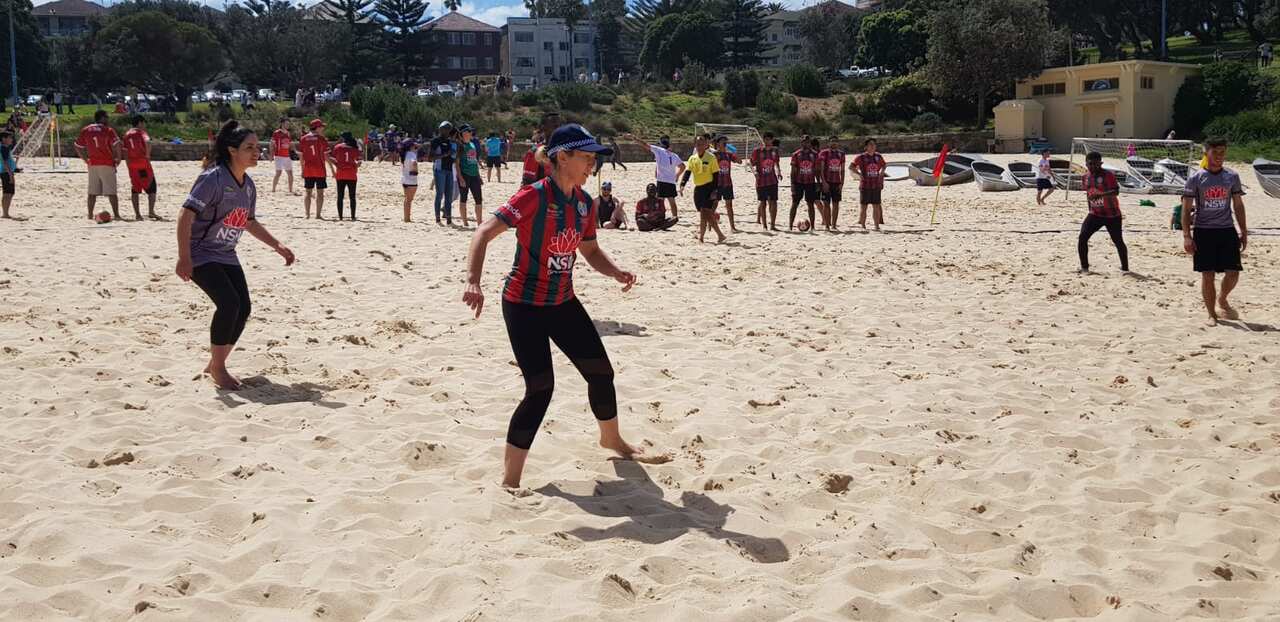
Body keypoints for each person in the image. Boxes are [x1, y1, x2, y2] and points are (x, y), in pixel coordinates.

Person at [461, 123, 645, 489]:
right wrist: (473, 280)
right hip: (523, 305)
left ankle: (611, 439)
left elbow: (590, 250)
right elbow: (483, 232)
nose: (593, 165)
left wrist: (615, 272)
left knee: (600, 372)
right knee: (540, 388)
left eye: (595, 158)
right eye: (587, 157)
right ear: (562, 157)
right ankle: (510, 480)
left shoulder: (583, 203)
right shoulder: (532, 197)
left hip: (562, 302)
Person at [175, 120, 295, 390]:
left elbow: (248, 222)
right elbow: (185, 215)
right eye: (249, 147)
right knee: (229, 303)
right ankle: (218, 369)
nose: (257, 152)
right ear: (232, 150)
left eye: (258, 147)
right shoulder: (213, 178)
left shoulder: (248, 185)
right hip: (201, 253)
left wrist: (277, 245)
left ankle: (215, 363)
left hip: (226, 253)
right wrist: (184, 257)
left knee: (243, 307)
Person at [1182, 137, 1248, 326]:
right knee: (1208, 275)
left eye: (1222, 152)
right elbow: (1186, 209)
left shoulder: (1232, 176)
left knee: (1234, 272)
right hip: (1203, 231)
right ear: (1207, 153)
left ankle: (1223, 298)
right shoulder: (1196, 178)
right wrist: (1187, 236)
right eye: (1215, 152)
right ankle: (1212, 314)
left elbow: (1238, 205)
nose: (1219, 156)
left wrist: (1243, 231)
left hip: (1227, 229)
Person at [1078, 151, 1129, 274]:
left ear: (1101, 163)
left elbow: (1116, 191)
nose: (1093, 167)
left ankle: (1125, 268)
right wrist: (1090, 207)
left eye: (1096, 164)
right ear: (1086, 164)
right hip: (1095, 214)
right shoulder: (1085, 177)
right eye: (1090, 164)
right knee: (1082, 237)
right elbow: (1088, 194)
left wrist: (1100, 194)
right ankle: (1084, 267)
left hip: (1112, 215)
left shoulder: (1108, 175)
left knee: (1118, 241)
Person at [74, 110, 122, 220]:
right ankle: (117, 215)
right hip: (106, 163)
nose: (108, 119)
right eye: (107, 117)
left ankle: (90, 215)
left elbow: (77, 145)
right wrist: (118, 158)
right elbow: (117, 144)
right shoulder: (108, 130)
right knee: (111, 192)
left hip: (93, 163)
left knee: (92, 192)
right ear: (102, 118)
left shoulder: (86, 129)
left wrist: (85, 159)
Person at [623, 132, 684, 219]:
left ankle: (661, 217)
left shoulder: (658, 150)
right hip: (671, 181)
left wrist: (634, 138)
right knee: (672, 201)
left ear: (661, 143)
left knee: (660, 201)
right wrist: (677, 175)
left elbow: (644, 144)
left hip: (662, 180)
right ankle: (675, 217)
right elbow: (683, 167)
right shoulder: (674, 155)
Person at [683, 133, 727, 244]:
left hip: (709, 187)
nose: (699, 146)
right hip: (698, 189)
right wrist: (682, 184)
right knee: (703, 214)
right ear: (695, 145)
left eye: (701, 144)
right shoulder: (692, 158)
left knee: (706, 211)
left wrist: (715, 190)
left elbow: (716, 175)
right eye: (697, 144)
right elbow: (688, 172)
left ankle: (719, 234)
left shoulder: (711, 157)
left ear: (705, 145)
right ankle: (701, 237)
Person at [123, 115, 160, 221]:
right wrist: (147, 155)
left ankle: (138, 214)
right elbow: (148, 142)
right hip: (143, 164)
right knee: (152, 188)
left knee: (135, 189)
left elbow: (125, 151)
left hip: (132, 165)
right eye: (143, 123)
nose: (144, 126)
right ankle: (151, 212)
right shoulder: (141, 133)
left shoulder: (126, 134)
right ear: (140, 123)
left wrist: (128, 164)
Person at [849, 138, 885, 231]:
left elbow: (884, 165)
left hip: (876, 185)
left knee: (876, 206)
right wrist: (859, 174)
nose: (873, 146)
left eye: (874, 144)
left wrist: (882, 173)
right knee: (864, 207)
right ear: (866, 147)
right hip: (865, 185)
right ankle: (863, 225)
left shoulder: (878, 156)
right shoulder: (861, 157)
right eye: (870, 144)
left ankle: (876, 226)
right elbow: (851, 166)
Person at [749, 132, 781, 230]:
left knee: (774, 202)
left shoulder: (775, 150)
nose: (767, 141)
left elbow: (776, 163)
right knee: (763, 203)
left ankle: (773, 225)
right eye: (766, 139)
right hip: (761, 180)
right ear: (763, 140)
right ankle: (764, 225)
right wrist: (754, 172)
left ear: (772, 140)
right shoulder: (757, 151)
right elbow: (750, 163)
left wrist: (779, 172)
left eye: (769, 139)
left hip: (772, 180)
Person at [429, 121, 458, 225]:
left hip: (449, 169)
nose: (446, 131)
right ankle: (437, 218)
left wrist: (454, 154)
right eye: (445, 129)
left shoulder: (451, 142)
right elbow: (431, 157)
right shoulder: (435, 141)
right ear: (440, 129)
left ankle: (449, 218)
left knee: (449, 195)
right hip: (439, 169)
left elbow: (454, 157)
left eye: (448, 129)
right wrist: (445, 155)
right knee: (439, 194)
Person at [788, 137, 821, 231]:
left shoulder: (815, 154)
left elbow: (817, 170)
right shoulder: (796, 154)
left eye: (807, 142)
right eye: (804, 142)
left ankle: (813, 227)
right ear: (801, 142)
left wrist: (818, 182)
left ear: (810, 143)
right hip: (799, 182)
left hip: (810, 182)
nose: (806, 144)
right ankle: (790, 226)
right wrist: (792, 184)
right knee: (794, 204)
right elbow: (793, 171)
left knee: (810, 204)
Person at [299, 118, 330, 219]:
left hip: (308, 168)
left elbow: (302, 156)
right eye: (321, 127)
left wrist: (302, 169)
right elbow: (326, 155)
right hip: (320, 169)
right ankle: (318, 215)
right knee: (320, 193)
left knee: (308, 192)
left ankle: (307, 214)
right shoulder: (321, 139)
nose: (323, 129)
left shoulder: (303, 138)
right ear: (316, 128)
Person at [710, 135, 741, 233]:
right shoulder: (714, 155)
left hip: (727, 183)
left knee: (729, 206)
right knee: (714, 205)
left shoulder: (729, 154)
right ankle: (709, 225)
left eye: (726, 142)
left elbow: (739, 162)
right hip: (717, 184)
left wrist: (735, 154)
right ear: (718, 143)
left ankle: (732, 227)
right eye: (723, 142)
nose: (725, 143)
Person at [522, 112, 561, 186]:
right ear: (543, 127)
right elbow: (527, 184)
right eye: (555, 126)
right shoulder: (534, 153)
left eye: (560, 126)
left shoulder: (565, 151)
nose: (559, 129)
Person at [330, 131, 361, 221]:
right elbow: (359, 162)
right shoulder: (355, 148)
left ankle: (340, 216)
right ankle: (353, 216)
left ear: (343, 138)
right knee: (352, 197)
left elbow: (331, 157)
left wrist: (336, 164)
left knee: (340, 196)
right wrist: (355, 165)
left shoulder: (338, 147)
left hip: (340, 174)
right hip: (351, 174)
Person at [457, 124, 484, 227]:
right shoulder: (460, 146)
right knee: (464, 198)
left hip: (474, 175)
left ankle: (479, 222)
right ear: (463, 133)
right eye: (469, 131)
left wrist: (479, 175)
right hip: (465, 175)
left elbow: (474, 161)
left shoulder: (472, 144)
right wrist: (460, 178)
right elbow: (457, 163)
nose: (471, 133)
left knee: (479, 199)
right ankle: (465, 222)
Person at [818, 136, 847, 230]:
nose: (834, 143)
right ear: (828, 143)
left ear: (838, 143)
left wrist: (842, 183)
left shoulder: (841, 154)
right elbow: (821, 169)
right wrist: (824, 182)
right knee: (826, 203)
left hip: (836, 181)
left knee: (836, 204)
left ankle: (834, 225)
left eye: (835, 141)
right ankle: (827, 225)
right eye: (832, 141)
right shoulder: (824, 153)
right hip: (827, 181)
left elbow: (842, 170)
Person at [270, 118, 298, 195]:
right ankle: (273, 189)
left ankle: (290, 190)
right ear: (282, 124)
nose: (288, 125)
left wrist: (295, 151)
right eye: (286, 123)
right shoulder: (277, 133)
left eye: (288, 124)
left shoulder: (288, 133)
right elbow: (272, 144)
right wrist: (271, 155)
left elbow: (290, 143)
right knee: (278, 173)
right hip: (279, 156)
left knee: (290, 173)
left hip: (287, 156)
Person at [400, 138, 420, 222]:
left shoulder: (403, 154)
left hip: (404, 179)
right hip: (411, 180)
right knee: (409, 200)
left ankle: (406, 217)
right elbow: (414, 162)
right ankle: (407, 218)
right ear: (411, 146)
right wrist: (415, 171)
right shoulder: (412, 154)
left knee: (406, 199)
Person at [1, 131, 15, 219]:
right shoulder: (4, 148)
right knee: (7, 193)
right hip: (6, 172)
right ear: (4, 139)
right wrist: (11, 175)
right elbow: (4, 162)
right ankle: (5, 213)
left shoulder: (5, 148)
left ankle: (5, 213)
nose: (11, 139)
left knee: (9, 193)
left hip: (6, 172)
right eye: (10, 138)